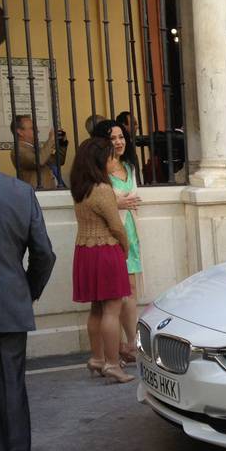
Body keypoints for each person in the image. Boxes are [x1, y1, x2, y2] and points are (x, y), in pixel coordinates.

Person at [0, 124, 56, 451]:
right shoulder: (18, 192)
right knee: (9, 384)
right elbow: (44, 253)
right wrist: (26, 290)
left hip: (7, 303)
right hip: (8, 305)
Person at [70, 139, 135, 384]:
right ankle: (111, 363)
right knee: (112, 309)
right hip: (105, 250)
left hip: (84, 251)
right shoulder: (103, 189)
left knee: (96, 308)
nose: (114, 161)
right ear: (99, 161)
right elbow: (116, 226)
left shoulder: (80, 188)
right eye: (110, 157)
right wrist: (126, 248)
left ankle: (97, 358)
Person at [99, 120, 142, 365]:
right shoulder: (99, 169)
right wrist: (117, 202)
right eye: (113, 138)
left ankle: (132, 342)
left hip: (132, 232)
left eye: (121, 136)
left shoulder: (129, 166)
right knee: (116, 294)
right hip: (112, 234)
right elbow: (96, 200)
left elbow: (134, 196)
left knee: (132, 290)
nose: (118, 142)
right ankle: (113, 351)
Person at [12, 114, 68, 189]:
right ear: (20, 132)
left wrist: (62, 143)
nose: (37, 131)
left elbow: (58, 161)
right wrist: (51, 140)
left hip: (49, 193)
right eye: (32, 128)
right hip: (37, 195)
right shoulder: (19, 151)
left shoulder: (37, 150)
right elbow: (39, 161)